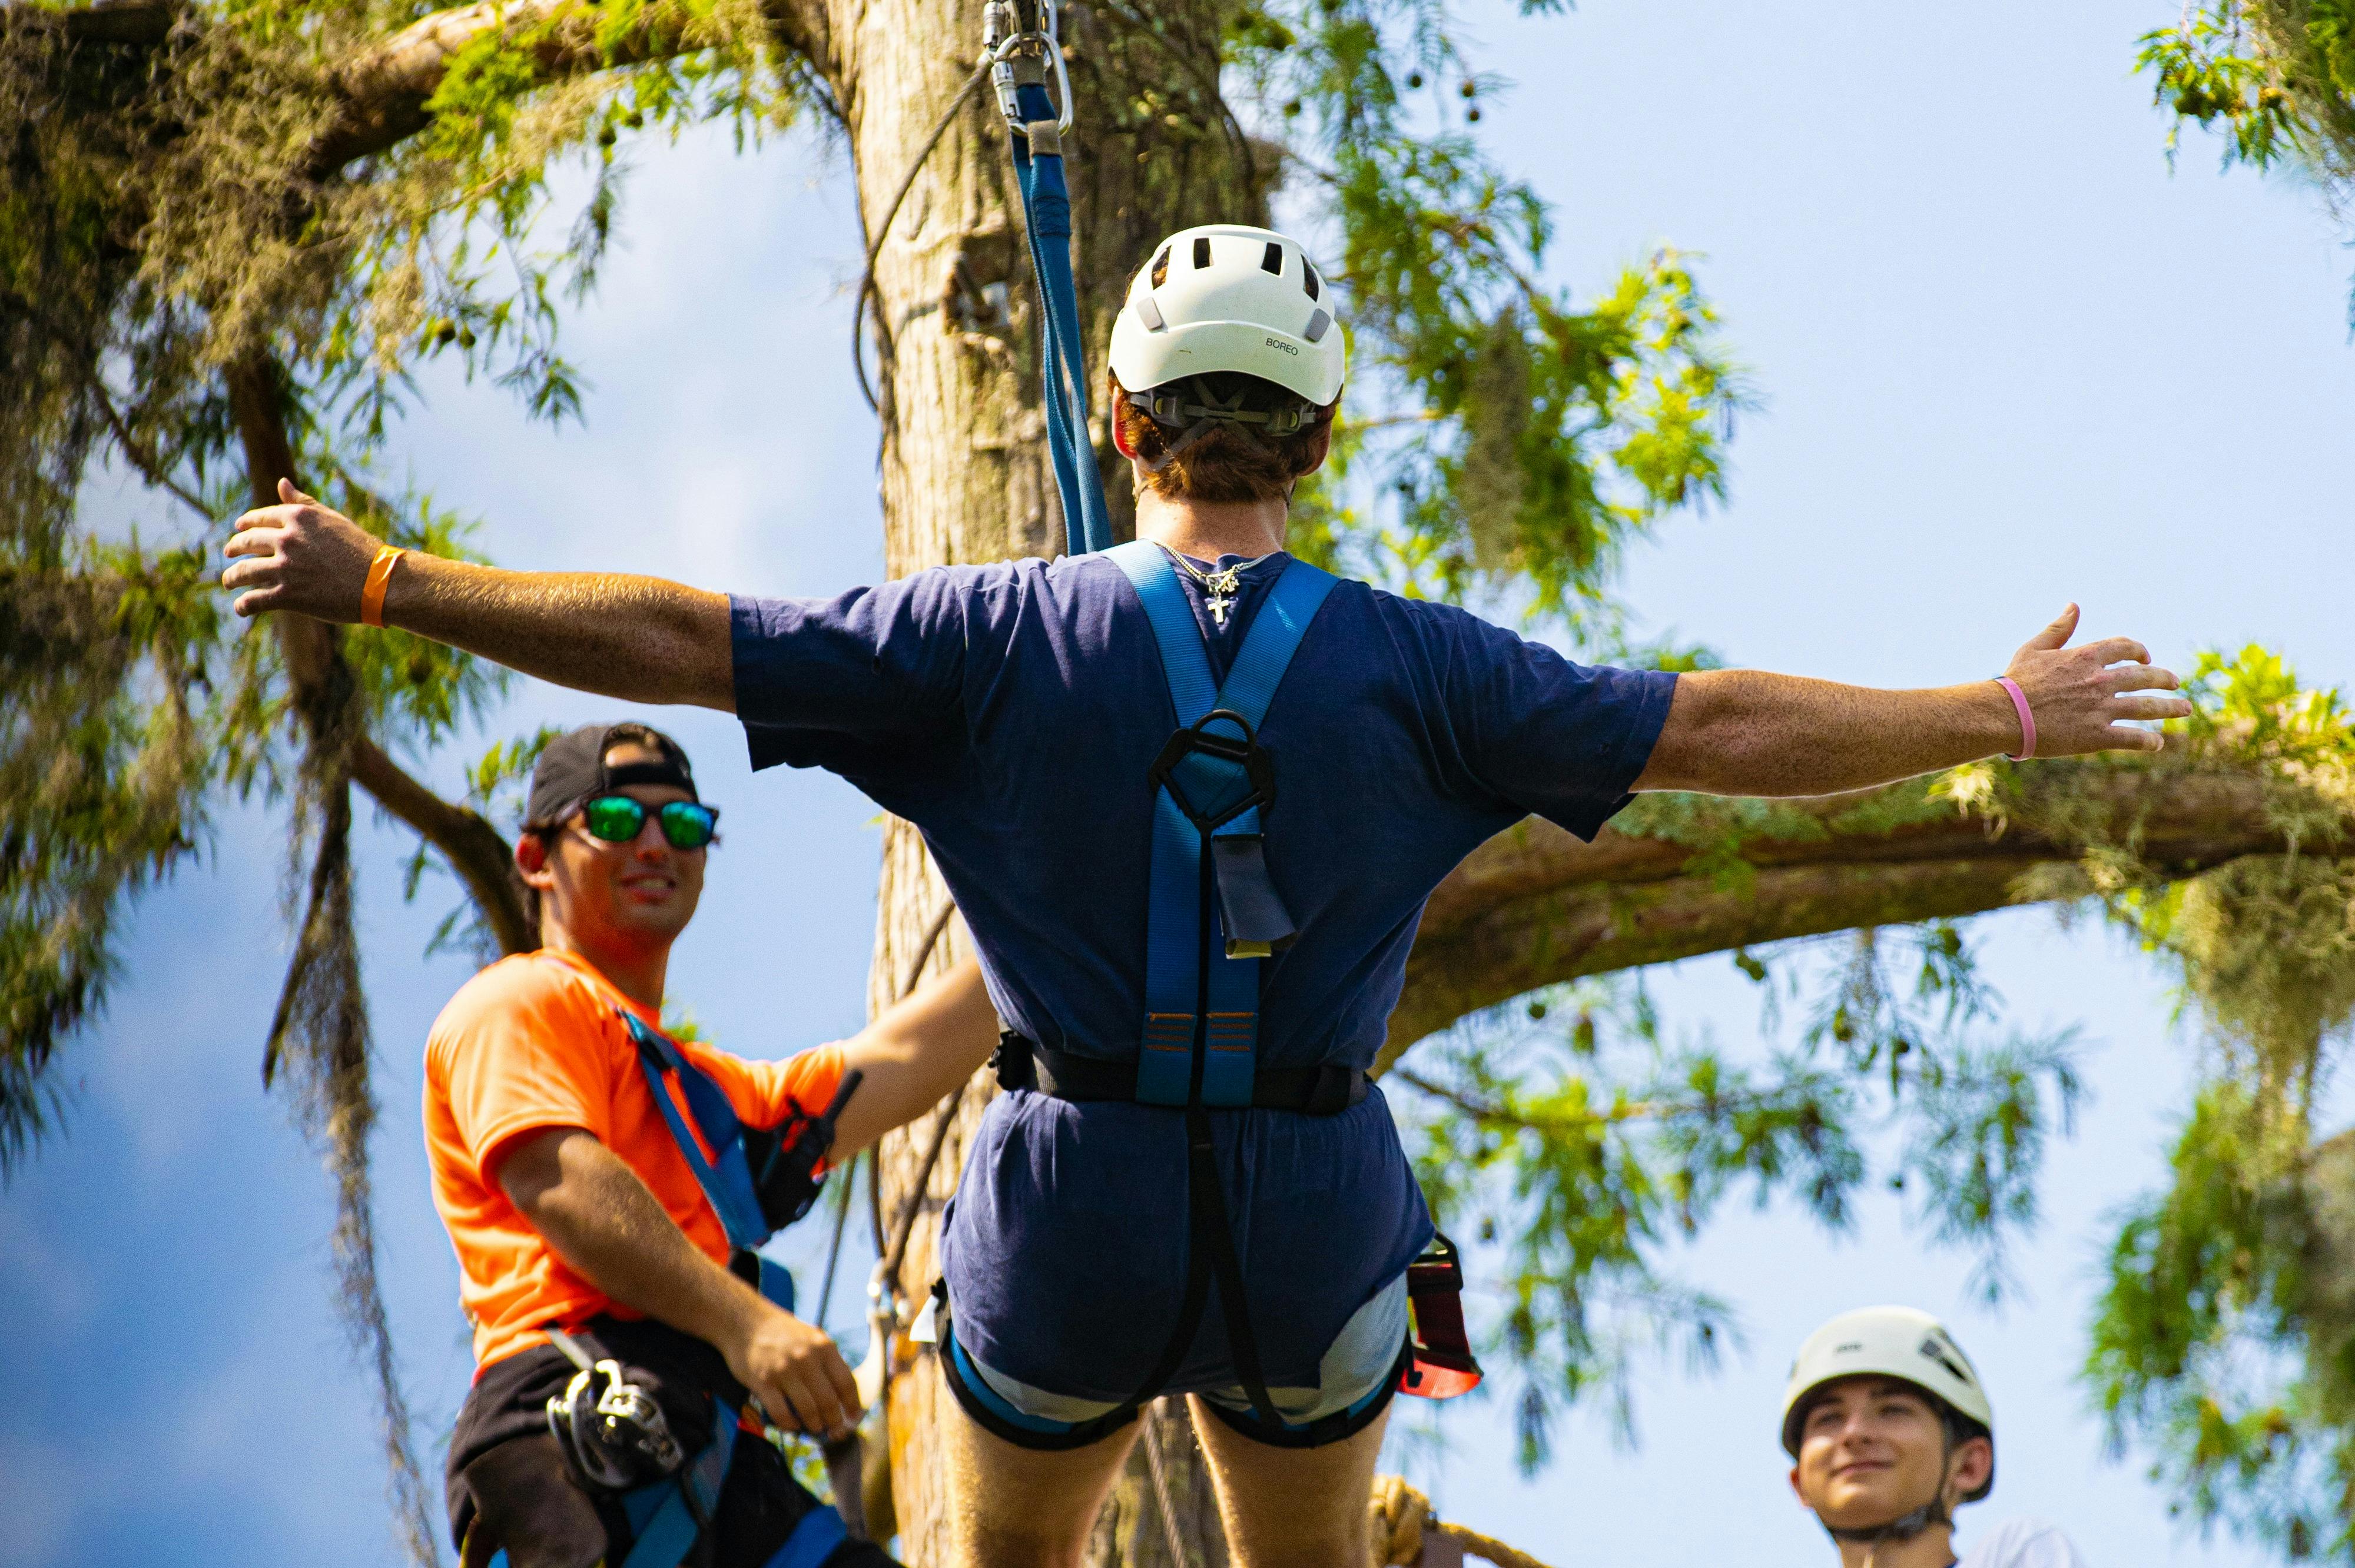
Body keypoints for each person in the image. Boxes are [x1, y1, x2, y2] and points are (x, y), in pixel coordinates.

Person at [222, 221, 2189, 1568]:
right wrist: (1993, 708)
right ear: (1321, 439)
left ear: (1118, 420)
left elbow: (681, 633)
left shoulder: (982, 639)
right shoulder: (1429, 669)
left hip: (1070, 1204)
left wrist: (392, 577)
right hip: (1325, 1211)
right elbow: (1717, 725)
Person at [424, 720, 1000, 1568]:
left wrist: (1072, 907)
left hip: (710, 1454)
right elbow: (560, 1182)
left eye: (685, 825)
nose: (657, 843)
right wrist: (747, 1325)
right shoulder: (516, 1003)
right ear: (537, 860)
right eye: (618, 820)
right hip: (577, 1429)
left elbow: (906, 1057)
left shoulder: (703, 1098)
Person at [1783, 1306, 2089, 1568]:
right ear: (1800, 1484)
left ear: (1969, 1465)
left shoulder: (2016, 1555)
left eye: (1893, 1410)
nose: (1854, 1434)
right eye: (1829, 1419)